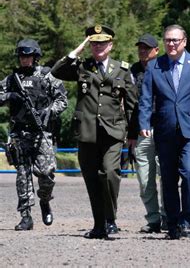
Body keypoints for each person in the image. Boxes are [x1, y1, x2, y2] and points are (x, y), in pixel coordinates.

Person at [51, 25, 137, 239]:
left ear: (111, 45)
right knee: (91, 178)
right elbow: (56, 72)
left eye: (102, 43)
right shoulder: (82, 66)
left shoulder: (122, 69)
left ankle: (110, 218)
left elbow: (133, 104)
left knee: (109, 174)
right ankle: (99, 224)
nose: (98, 46)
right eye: (94, 43)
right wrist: (76, 51)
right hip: (87, 131)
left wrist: (132, 134)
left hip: (113, 131)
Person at [139, 24, 190, 240]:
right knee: (168, 177)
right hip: (164, 129)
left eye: (175, 40)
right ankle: (173, 223)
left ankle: (186, 218)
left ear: (184, 41)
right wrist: (144, 123)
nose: (171, 44)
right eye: (168, 40)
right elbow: (146, 98)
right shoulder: (154, 66)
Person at [0, 39, 67, 231]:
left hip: (41, 132)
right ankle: (26, 216)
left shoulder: (46, 76)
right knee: (22, 176)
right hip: (19, 134)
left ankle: (44, 200)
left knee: (47, 174)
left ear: (35, 57)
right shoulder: (12, 79)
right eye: (21, 56)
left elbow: (62, 100)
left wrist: (49, 111)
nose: (24, 59)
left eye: (27, 56)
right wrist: (8, 96)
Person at [127, 33, 166, 233]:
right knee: (144, 179)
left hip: (163, 128)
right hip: (142, 131)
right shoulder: (132, 71)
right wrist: (131, 134)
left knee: (165, 175)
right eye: (140, 47)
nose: (143, 51)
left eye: (147, 48)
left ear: (156, 50)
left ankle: (168, 216)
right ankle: (153, 219)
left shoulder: (164, 67)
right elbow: (129, 105)